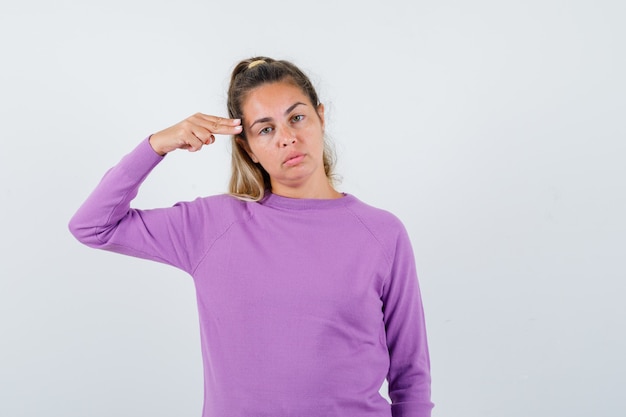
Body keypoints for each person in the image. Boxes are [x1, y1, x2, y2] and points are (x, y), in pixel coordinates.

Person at [68, 56, 433, 417]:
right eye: (266, 129)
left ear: (321, 117)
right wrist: (157, 145)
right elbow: (93, 226)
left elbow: (411, 377)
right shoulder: (211, 225)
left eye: (297, 117)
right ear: (248, 148)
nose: (288, 138)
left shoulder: (382, 234)